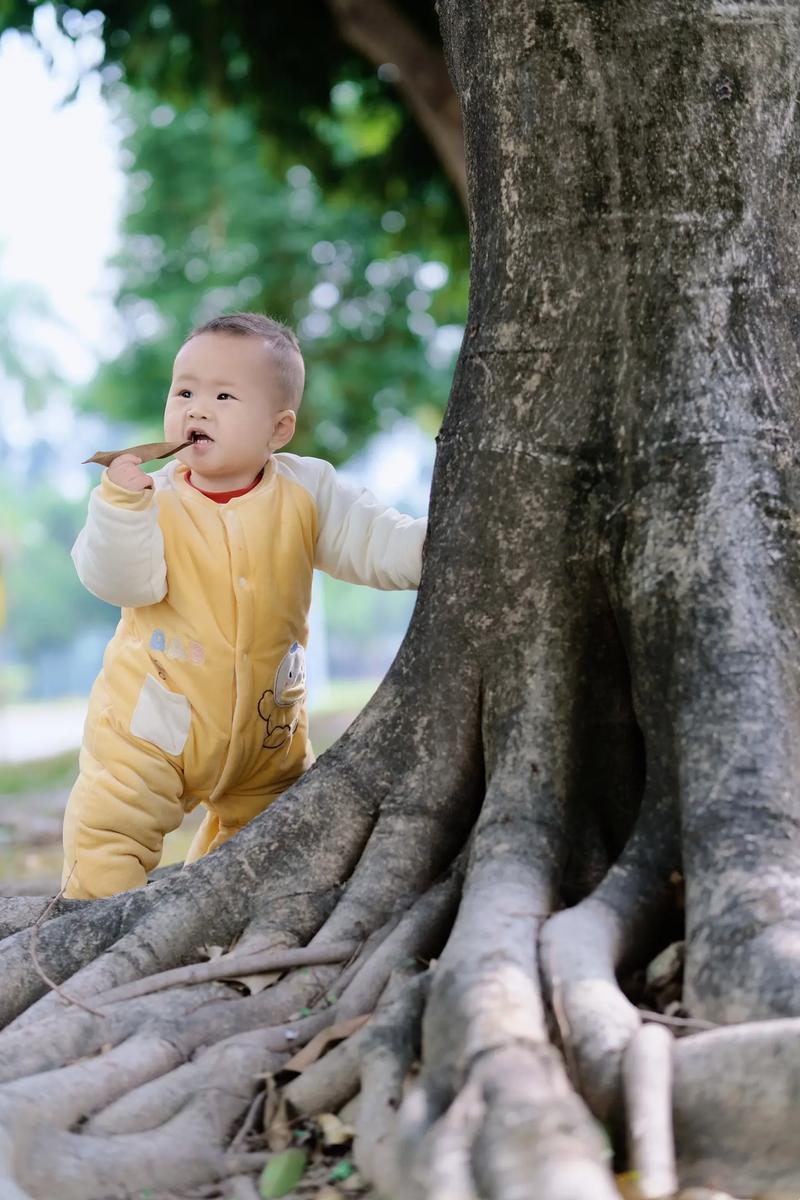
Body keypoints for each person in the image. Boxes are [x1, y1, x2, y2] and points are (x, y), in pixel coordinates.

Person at [62, 311, 426, 900]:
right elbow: (118, 580)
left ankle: (209, 912)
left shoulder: (307, 491)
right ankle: (92, 925)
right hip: (152, 719)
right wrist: (119, 508)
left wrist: (430, 548)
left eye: (224, 395)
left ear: (278, 430)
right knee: (110, 829)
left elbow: (374, 540)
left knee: (264, 846)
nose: (196, 409)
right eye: (184, 391)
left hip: (268, 730)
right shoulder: (152, 500)